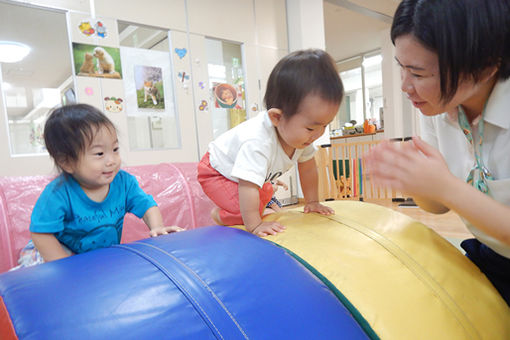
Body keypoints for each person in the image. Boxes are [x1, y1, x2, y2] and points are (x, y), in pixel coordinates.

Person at [365, 0, 510, 306]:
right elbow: (437, 207)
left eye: (418, 74)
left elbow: (449, 192)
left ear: (485, 66)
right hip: (491, 256)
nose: (405, 86)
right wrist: (420, 183)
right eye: (401, 68)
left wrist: (445, 186)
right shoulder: (439, 110)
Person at [14, 104, 183, 268]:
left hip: (94, 256)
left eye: (115, 149)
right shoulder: (58, 193)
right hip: (53, 252)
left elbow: (147, 206)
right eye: (99, 154)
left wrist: (157, 228)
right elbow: (41, 234)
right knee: (39, 273)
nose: (112, 160)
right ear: (67, 162)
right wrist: (64, 265)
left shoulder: (123, 182)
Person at [198, 49, 344, 237]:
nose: (318, 134)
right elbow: (248, 185)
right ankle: (221, 215)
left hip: (242, 176)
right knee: (251, 205)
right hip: (216, 171)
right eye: (311, 128)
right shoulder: (257, 142)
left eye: (325, 125)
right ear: (276, 117)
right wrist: (254, 225)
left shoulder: (303, 138)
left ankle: (244, 212)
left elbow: (308, 168)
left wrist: (312, 201)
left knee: (264, 194)